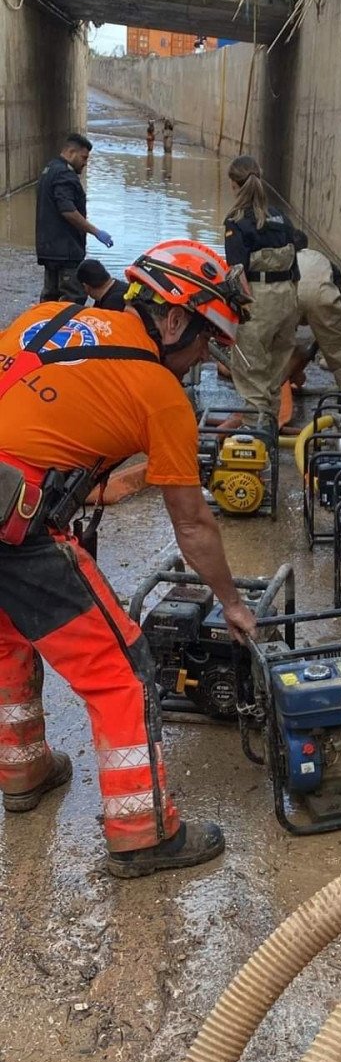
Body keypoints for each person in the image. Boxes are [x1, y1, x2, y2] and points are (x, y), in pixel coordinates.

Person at [0, 238, 256, 879]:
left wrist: (98, 485)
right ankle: (143, 833)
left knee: (8, 637)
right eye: (204, 342)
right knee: (123, 669)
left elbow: (30, 419)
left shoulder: (46, 319)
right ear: (173, 320)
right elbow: (193, 527)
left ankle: (22, 768)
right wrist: (230, 602)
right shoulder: (159, 393)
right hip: (15, 527)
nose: (203, 360)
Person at [223, 155, 298, 424]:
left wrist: (236, 312)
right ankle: (271, 440)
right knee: (274, 379)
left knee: (252, 378)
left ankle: (255, 446)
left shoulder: (236, 221)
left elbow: (236, 274)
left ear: (234, 184)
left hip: (258, 300)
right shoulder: (282, 217)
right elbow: (295, 267)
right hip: (287, 299)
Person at [34, 133, 113, 305]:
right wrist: (96, 232)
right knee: (73, 298)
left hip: (49, 248)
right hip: (66, 250)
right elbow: (67, 210)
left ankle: (43, 329)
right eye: (84, 158)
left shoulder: (49, 169)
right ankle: (67, 331)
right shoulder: (65, 175)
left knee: (50, 298)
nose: (86, 163)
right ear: (71, 153)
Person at [295, 244, 341, 401]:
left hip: (291, 294)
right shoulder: (322, 259)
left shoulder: (285, 257)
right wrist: (324, 340)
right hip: (322, 296)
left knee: (281, 345)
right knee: (340, 350)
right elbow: (338, 302)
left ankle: (271, 399)